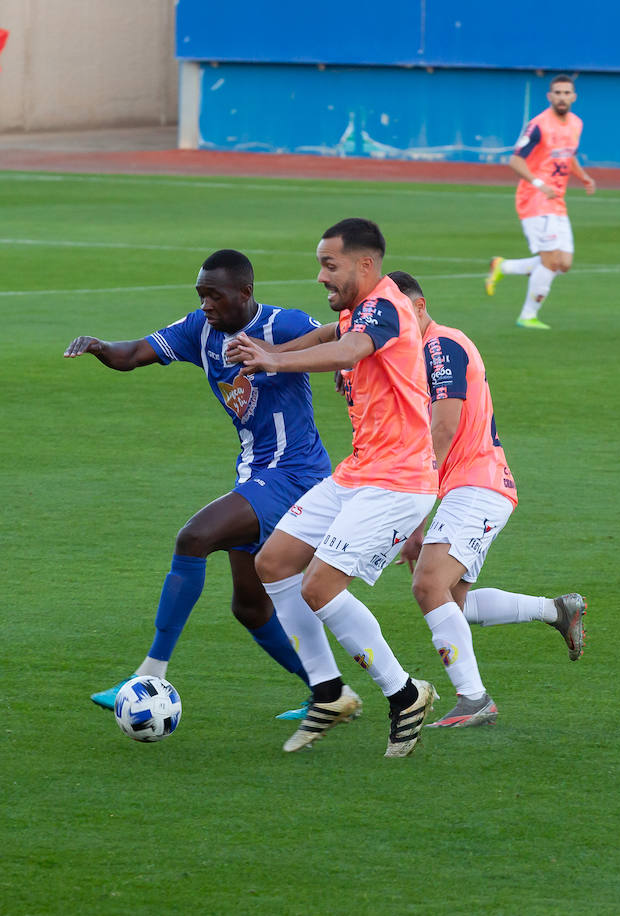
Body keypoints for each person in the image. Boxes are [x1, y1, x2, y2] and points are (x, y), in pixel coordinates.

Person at [64, 249, 345, 719]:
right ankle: (329, 694)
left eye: (214, 296)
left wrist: (343, 372)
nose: (206, 305)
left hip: (296, 475)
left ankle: (150, 673)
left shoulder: (285, 325)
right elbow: (134, 354)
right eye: (201, 296)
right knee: (250, 608)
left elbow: (343, 338)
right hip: (256, 472)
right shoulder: (201, 330)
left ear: (245, 293)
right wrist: (99, 347)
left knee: (194, 538)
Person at [226, 219, 439, 757]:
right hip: (359, 472)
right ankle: (327, 690)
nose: (321, 276)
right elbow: (328, 335)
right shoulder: (356, 308)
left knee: (319, 586)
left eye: (330, 264)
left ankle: (404, 692)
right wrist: (264, 354)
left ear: (365, 264)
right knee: (272, 563)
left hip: (398, 480)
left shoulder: (384, 307)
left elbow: (348, 351)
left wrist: (274, 359)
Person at [386, 270, 587, 730]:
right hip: (466, 485)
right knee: (450, 603)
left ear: (418, 307)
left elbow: (445, 426)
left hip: (477, 483)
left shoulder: (442, 345)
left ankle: (473, 699)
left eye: (397, 316)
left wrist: (413, 508)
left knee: (427, 585)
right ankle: (557, 609)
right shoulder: (415, 355)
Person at [484, 74, 596, 330]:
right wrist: (539, 184)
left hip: (557, 200)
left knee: (563, 263)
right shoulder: (538, 125)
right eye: (557, 92)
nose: (562, 97)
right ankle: (527, 316)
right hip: (535, 199)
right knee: (551, 261)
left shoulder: (576, 124)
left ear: (574, 97)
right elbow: (515, 160)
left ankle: (503, 266)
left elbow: (569, 157)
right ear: (549, 96)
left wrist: (584, 176)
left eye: (567, 93)